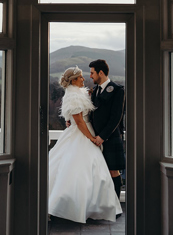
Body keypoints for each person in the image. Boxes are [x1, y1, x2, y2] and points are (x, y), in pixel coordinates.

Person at [48, 66, 122, 223]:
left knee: (92, 172)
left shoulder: (81, 93)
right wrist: (91, 138)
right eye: (81, 77)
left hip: (85, 131)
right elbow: (80, 121)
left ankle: (90, 205)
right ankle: (71, 206)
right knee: (79, 171)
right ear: (74, 80)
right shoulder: (73, 95)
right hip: (82, 134)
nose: (84, 79)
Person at [89, 59, 126, 201]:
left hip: (111, 137)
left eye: (92, 73)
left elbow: (116, 117)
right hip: (95, 138)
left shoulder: (117, 90)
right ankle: (103, 204)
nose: (91, 76)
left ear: (101, 72)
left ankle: (115, 205)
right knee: (98, 171)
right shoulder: (96, 90)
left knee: (113, 171)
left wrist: (102, 136)